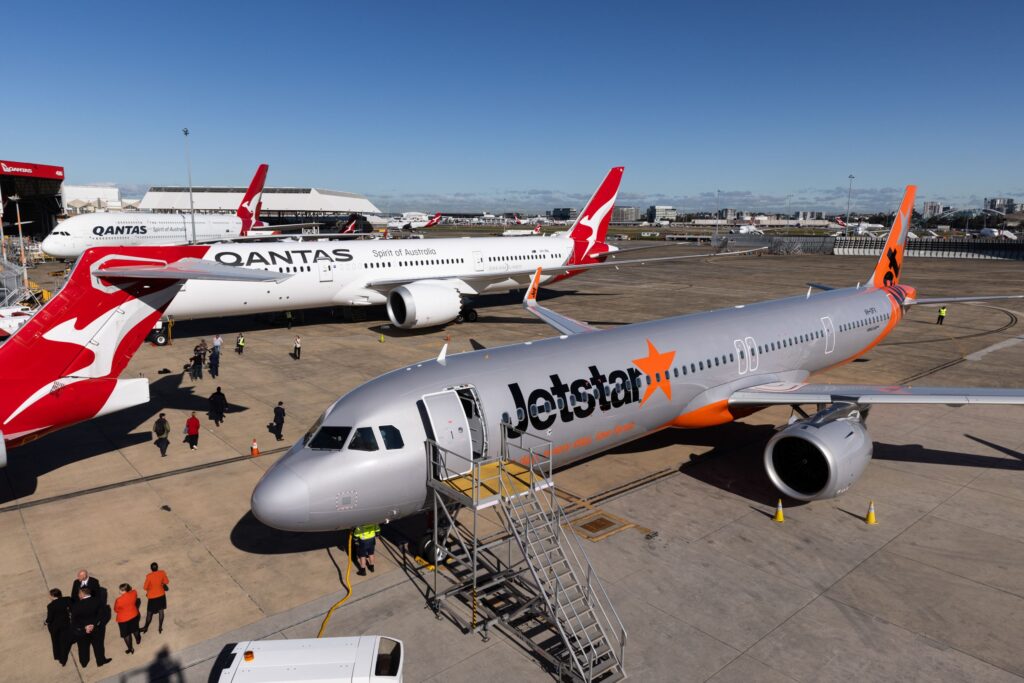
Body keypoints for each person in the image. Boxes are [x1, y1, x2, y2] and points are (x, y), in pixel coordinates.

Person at [70, 586, 110, 667]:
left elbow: (74, 622)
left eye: (79, 593)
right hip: (97, 629)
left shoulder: (76, 606)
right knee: (98, 646)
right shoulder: (98, 601)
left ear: (82, 594)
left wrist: (84, 628)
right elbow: (102, 615)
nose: (78, 595)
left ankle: (84, 663)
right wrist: (94, 625)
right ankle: (100, 661)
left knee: (83, 648)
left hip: (83, 632)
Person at [45, 588, 73, 666]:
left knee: (55, 642)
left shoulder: (51, 606)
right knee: (64, 643)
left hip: (55, 627)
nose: (49, 596)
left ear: (53, 596)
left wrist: (45, 622)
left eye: (50, 595)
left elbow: (50, 618)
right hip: (66, 625)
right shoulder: (67, 599)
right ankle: (63, 660)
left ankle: (57, 656)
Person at [114, 583, 142, 655]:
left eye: (120, 590)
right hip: (134, 615)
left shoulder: (119, 600)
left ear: (124, 591)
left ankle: (130, 648)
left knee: (126, 634)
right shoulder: (134, 592)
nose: (119, 591)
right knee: (135, 629)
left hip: (123, 619)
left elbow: (116, 610)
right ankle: (138, 640)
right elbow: (135, 598)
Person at [142, 563, 169, 635]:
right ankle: (160, 627)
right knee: (161, 611)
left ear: (151, 569)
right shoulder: (162, 573)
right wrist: (161, 583)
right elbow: (166, 582)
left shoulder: (149, 576)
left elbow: (145, 587)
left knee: (149, 613)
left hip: (152, 597)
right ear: (157, 567)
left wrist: (150, 589)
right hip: (161, 595)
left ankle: (146, 627)